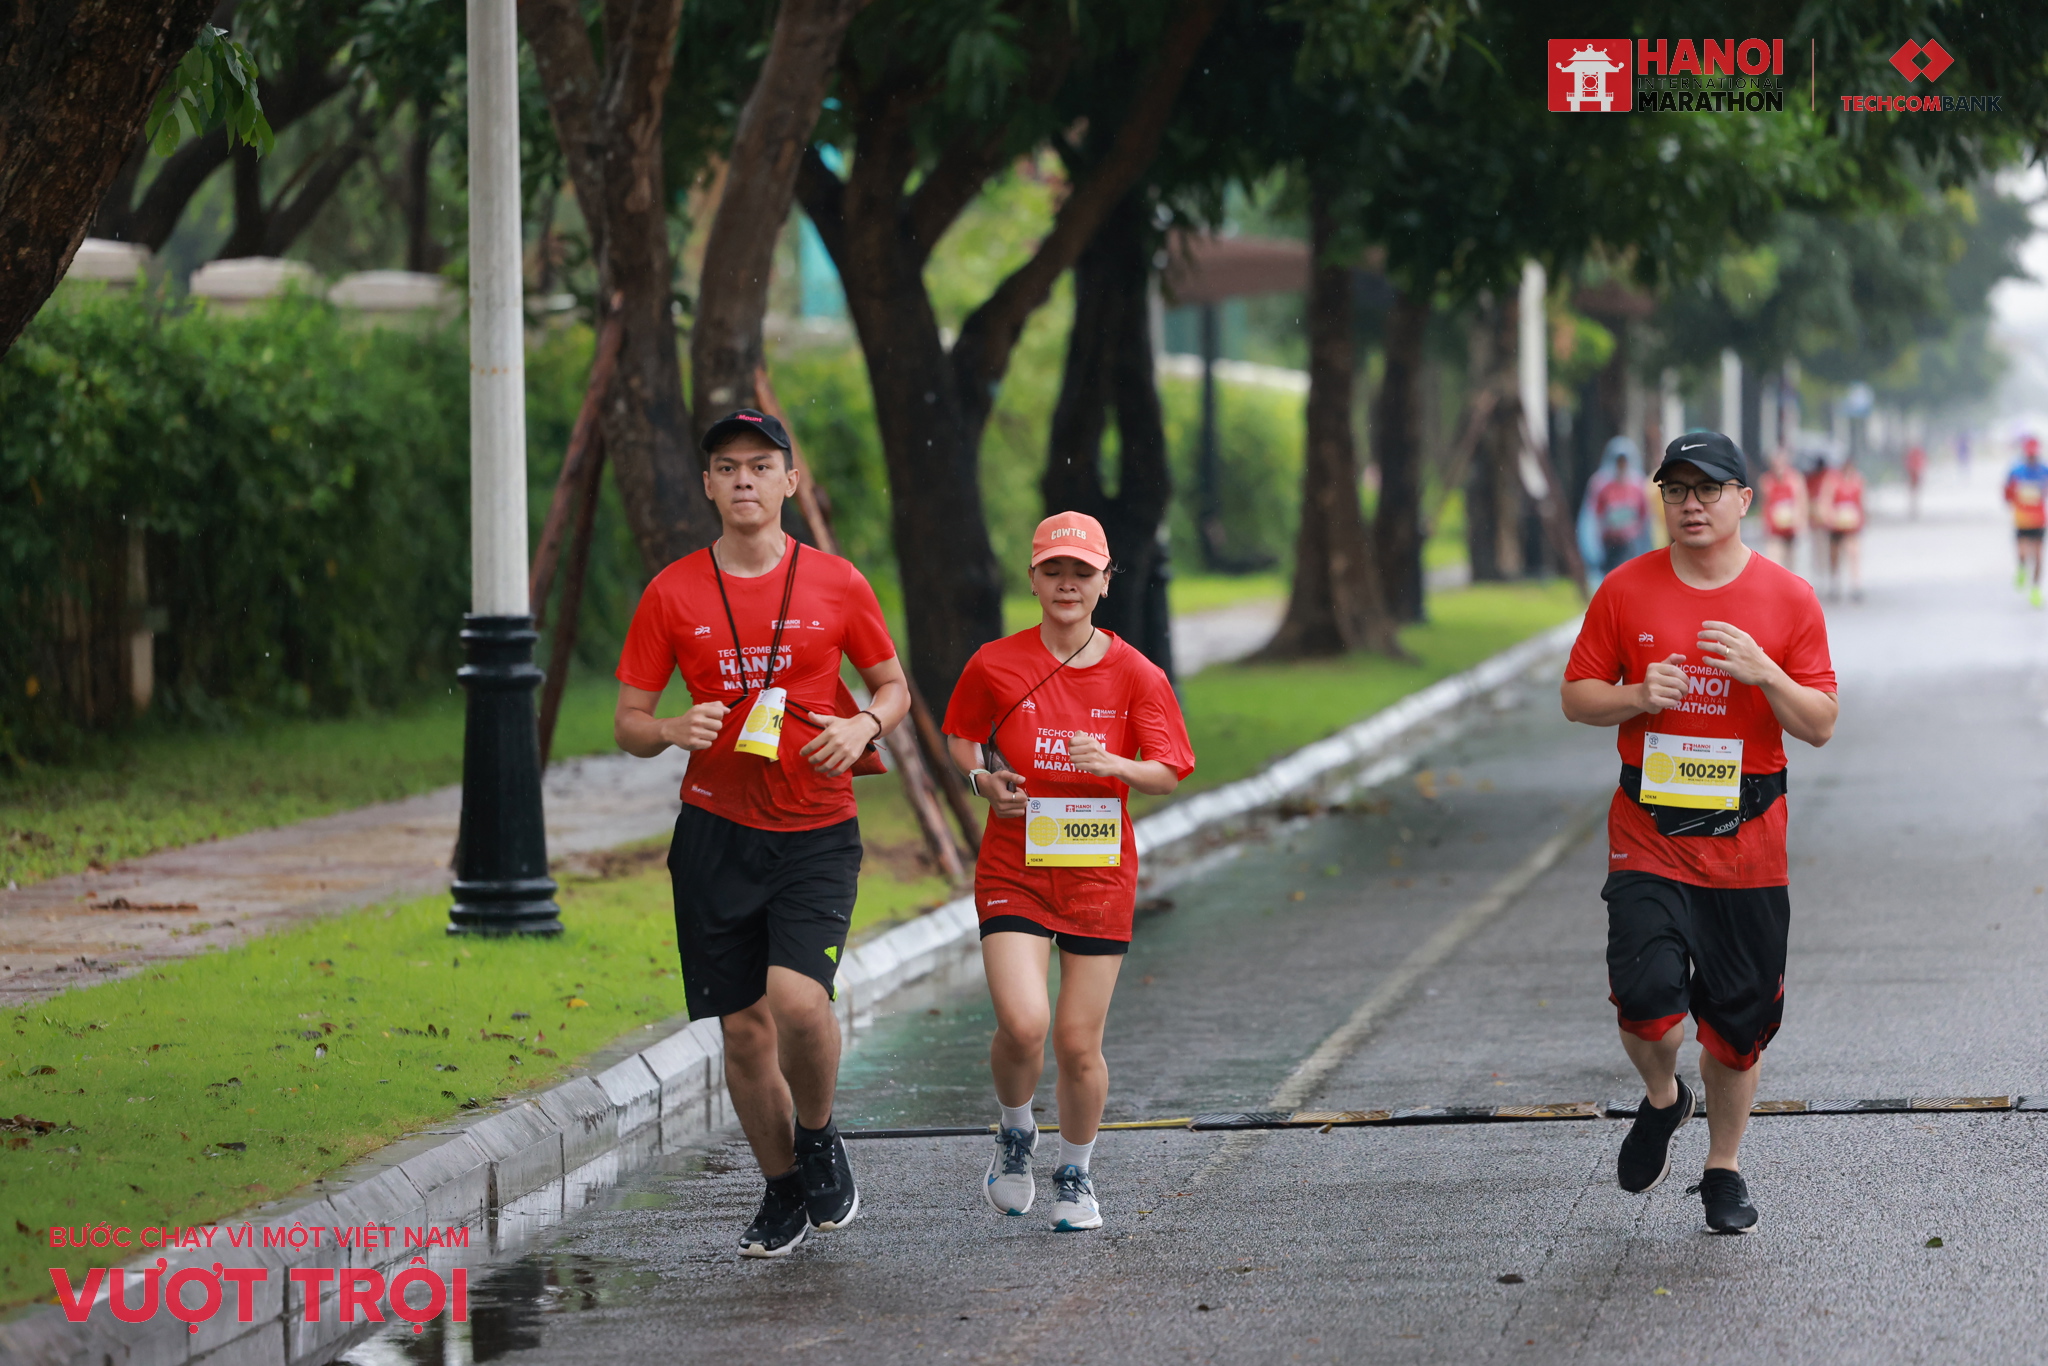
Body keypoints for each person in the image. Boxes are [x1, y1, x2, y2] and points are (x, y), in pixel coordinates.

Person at [613, 409, 911, 1258]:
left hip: (816, 826)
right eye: (726, 466)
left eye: (759, 464)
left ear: (790, 482)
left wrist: (864, 726)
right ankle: (782, 1189)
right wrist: (670, 728)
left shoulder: (837, 583)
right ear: (707, 485)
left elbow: (892, 687)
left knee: (797, 1000)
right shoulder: (672, 593)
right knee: (742, 1029)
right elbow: (629, 722)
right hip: (715, 832)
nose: (743, 478)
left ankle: (816, 1135)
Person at [1561, 430, 1838, 1235]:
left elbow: (1819, 724)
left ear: (1743, 499)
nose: (1691, 504)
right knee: (1646, 998)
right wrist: (1635, 695)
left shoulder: (1788, 597)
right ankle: (1662, 1097)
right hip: (1650, 831)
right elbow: (1577, 696)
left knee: (1737, 1026)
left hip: (1749, 843)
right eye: (1676, 490)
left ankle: (1723, 1168)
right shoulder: (1626, 589)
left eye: (1708, 489)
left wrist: (1765, 673)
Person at [942, 511, 1195, 1233]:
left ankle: (1076, 1172)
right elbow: (961, 733)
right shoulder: (995, 663)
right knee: (1024, 1024)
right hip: (1015, 865)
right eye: (1053, 570)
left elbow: (1169, 769)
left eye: (1082, 572)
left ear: (1105, 582)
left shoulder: (1137, 674)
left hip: (1096, 873)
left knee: (1079, 1044)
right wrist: (981, 779)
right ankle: (1015, 1129)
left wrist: (1114, 763)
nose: (1067, 584)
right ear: (1032, 578)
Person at [2004, 436, 2048, 609]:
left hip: (2039, 521)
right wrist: (2014, 494)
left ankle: (2035, 590)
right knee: (2022, 554)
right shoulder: (2016, 472)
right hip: (2021, 520)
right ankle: (2022, 569)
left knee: (2038, 558)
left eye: (2034, 455)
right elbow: (2006, 494)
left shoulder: (2044, 470)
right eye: (2029, 455)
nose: (2031, 458)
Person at [1593, 446, 1652, 575]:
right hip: (1610, 541)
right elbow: (1598, 514)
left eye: (1624, 461)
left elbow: (1644, 515)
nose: (1622, 465)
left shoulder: (1637, 486)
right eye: (1619, 461)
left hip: (1630, 541)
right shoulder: (1604, 487)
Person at [1819, 456, 1865, 603]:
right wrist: (1830, 516)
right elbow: (1825, 501)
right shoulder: (1832, 481)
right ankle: (1835, 581)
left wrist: (1860, 518)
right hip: (1836, 524)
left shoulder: (1857, 480)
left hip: (1851, 524)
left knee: (1853, 552)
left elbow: (1861, 501)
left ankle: (1855, 584)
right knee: (1835, 554)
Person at [1756, 447, 1806, 569]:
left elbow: (1802, 501)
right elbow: (1763, 504)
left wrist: (1801, 522)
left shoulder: (1795, 479)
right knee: (1774, 560)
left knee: (1790, 563)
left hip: (1791, 526)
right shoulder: (1766, 481)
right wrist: (1764, 524)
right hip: (1774, 527)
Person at [1903, 443, 1926, 519]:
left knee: (1914, 493)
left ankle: (1914, 508)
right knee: (1913, 494)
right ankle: (1913, 508)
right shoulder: (1913, 453)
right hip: (1913, 474)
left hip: (1914, 474)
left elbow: (1919, 463)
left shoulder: (1915, 453)